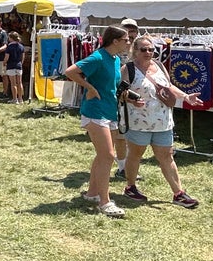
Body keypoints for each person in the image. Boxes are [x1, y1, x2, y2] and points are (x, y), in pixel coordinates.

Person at [119, 35, 202, 208]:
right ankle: (130, 186)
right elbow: (119, 92)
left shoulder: (158, 65)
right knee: (136, 154)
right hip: (138, 122)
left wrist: (186, 97)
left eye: (151, 49)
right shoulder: (128, 69)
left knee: (166, 155)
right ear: (135, 51)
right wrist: (132, 100)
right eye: (143, 49)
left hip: (163, 121)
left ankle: (178, 193)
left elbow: (168, 87)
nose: (148, 53)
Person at [63, 25, 133, 218]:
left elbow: (112, 85)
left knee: (102, 155)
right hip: (95, 111)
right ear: (115, 41)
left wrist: (129, 97)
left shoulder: (115, 58)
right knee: (108, 155)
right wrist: (90, 88)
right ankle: (105, 201)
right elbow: (70, 71)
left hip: (109, 111)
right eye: (126, 39)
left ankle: (92, 194)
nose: (129, 42)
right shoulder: (98, 56)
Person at [112, 18, 141, 178]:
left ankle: (131, 166)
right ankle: (122, 167)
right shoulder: (116, 49)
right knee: (121, 135)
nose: (130, 34)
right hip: (120, 97)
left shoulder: (141, 48)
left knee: (135, 135)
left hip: (138, 98)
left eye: (133, 30)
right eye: (127, 30)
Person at [4, 30, 26, 103]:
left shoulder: (9, 47)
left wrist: (4, 63)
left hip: (11, 65)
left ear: (11, 38)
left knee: (13, 83)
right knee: (19, 83)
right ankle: (20, 99)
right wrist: (20, 63)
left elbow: (7, 57)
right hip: (19, 65)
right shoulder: (21, 46)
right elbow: (23, 57)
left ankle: (14, 99)